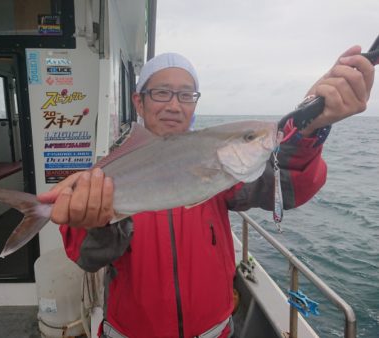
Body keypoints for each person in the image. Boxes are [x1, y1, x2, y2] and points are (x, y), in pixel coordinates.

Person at [38, 47, 375, 338]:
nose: (174, 105)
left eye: (186, 95)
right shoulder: (105, 174)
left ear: (194, 104)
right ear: (138, 102)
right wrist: (99, 224)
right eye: (161, 93)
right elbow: (88, 258)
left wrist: (311, 127)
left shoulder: (219, 171)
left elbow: (286, 188)